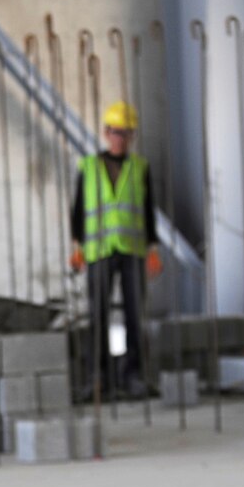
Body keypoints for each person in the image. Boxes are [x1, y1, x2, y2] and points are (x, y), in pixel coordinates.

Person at [68, 101, 162, 399]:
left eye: (126, 133)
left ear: (131, 136)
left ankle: (132, 376)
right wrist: (77, 246)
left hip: (133, 250)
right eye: (116, 132)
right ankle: (98, 378)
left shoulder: (140, 168)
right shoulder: (89, 167)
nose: (120, 138)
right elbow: (78, 210)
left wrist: (153, 249)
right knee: (98, 316)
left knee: (135, 315)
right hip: (98, 250)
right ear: (106, 133)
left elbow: (147, 211)